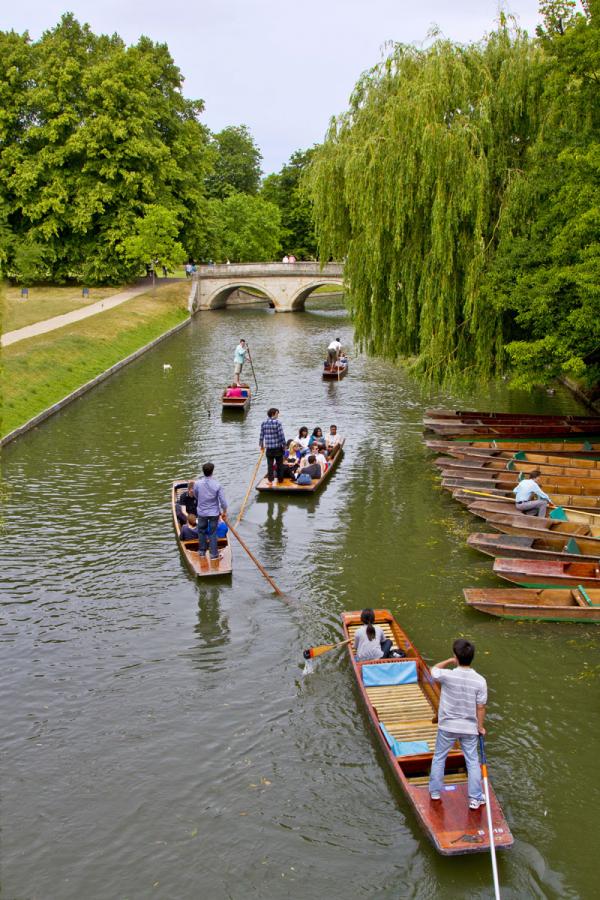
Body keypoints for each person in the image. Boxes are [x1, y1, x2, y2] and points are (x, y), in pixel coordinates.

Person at [428, 639, 487, 810]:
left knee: (439, 757)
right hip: (469, 728)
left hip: (447, 726)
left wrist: (448, 660)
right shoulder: (480, 681)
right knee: (472, 761)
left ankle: (435, 792)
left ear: (456, 657)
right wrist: (480, 727)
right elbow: (481, 707)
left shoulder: (448, 675)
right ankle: (475, 798)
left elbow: (434, 670)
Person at [193, 463, 228, 563]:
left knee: (201, 531)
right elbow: (223, 502)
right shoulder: (217, 485)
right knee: (213, 533)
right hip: (214, 513)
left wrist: (201, 502)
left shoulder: (197, 483)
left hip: (202, 512)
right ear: (212, 472)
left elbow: (196, 495)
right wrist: (224, 511)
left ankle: (202, 552)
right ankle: (213, 555)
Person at [259, 408, 287, 485]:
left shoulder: (264, 423)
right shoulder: (277, 423)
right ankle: (280, 480)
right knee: (279, 465)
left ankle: (270, 481)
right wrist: (284, 445)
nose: (278, 415)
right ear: (273, 414)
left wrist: (261, 445)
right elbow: (281, 435)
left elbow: (261, 435)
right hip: (277, 447)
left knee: (270, 465)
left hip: (269, 448)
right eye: (277, 414)